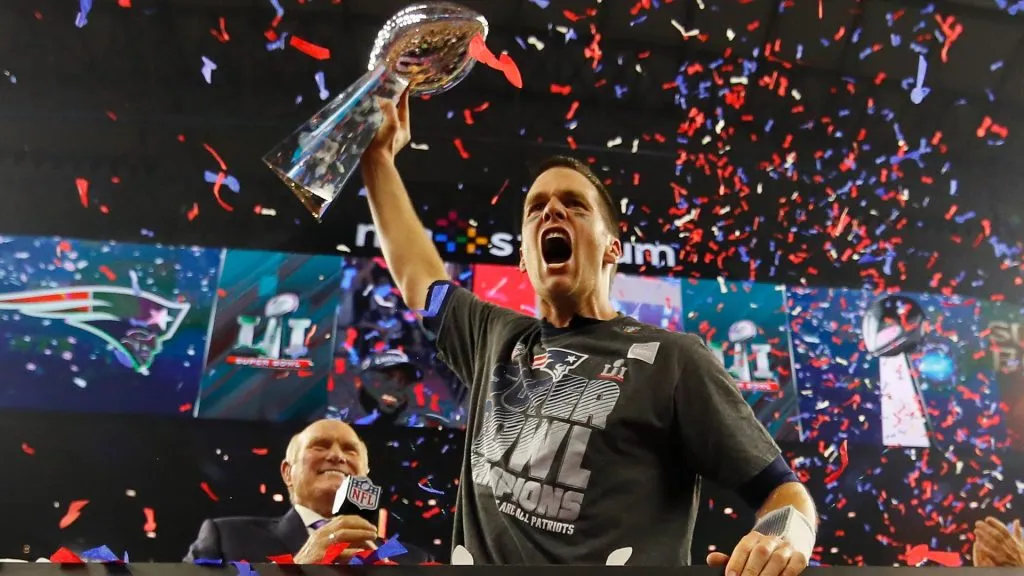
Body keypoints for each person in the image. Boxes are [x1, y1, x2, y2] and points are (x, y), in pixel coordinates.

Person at [357, 88, 817, 570]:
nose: (551, 212)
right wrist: (378, 159)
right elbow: (416, 276)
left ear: (612, 248)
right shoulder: (494, 337)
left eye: (574, 205)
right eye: (536, 208)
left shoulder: (673, 359)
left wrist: (784, 542)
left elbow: (782, 491)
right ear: (524, 259)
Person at [183, 419, 432, 564]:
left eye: (350, 450)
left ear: (363, 475)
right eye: (320, 446)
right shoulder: (226, 538)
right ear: (287, 472)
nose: (336, 456)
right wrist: (299, 570)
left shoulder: (412, 559)